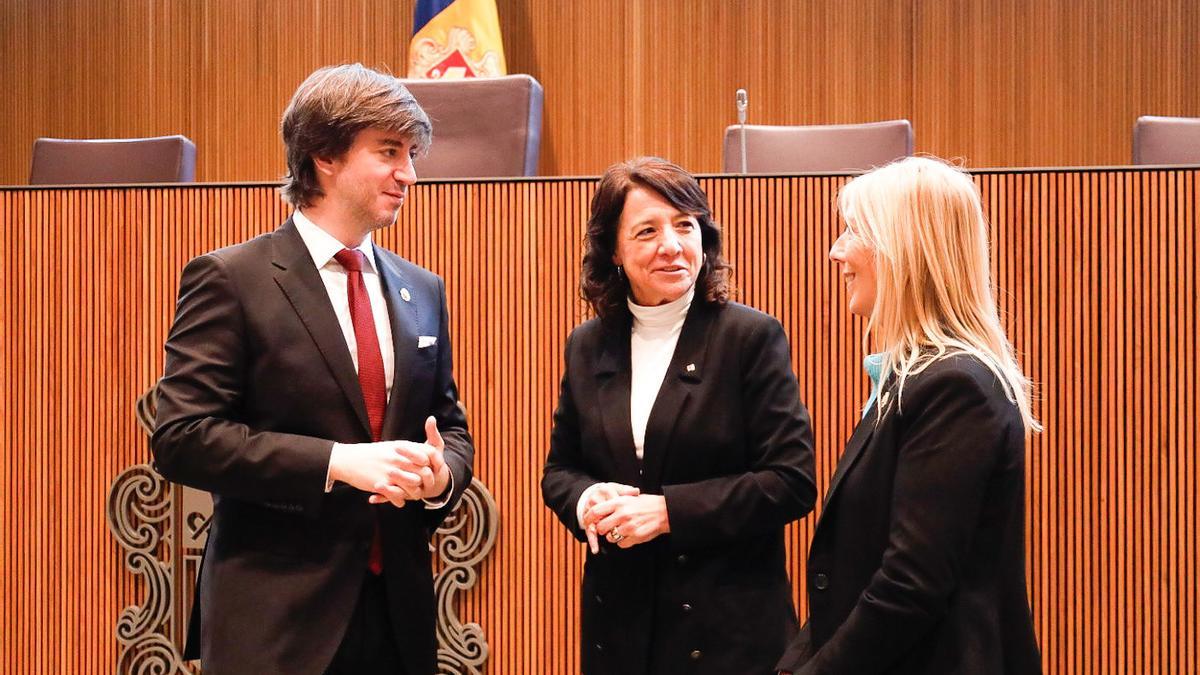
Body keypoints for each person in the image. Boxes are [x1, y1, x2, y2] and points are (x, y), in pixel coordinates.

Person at [151, 64, 474, 675]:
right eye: (389, 152)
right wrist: (336, 462)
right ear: (324, 155)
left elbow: (452, 430)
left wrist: (438, 477)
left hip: (399, 622)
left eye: (410, 154)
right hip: (278, 624)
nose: (409, 173)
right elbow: (181, 438)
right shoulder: (232, 280)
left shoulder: (422, 289)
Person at [542, 156, 817, 674]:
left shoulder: (749, 338)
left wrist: (669, 512)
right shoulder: (587, 345)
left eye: (684, 225)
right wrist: (585, 500)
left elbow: (791, 481)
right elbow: (559, 472)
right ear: (614, 251)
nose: (671, 245)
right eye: (647, 230)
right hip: (619, 633)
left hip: (727, 634)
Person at [776, 156, 1042, 674]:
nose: (837, 251)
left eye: (853, 231)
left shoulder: (953, 386)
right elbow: (862, 567)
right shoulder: (915, 377)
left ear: (903, 249)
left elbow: (910, 585)